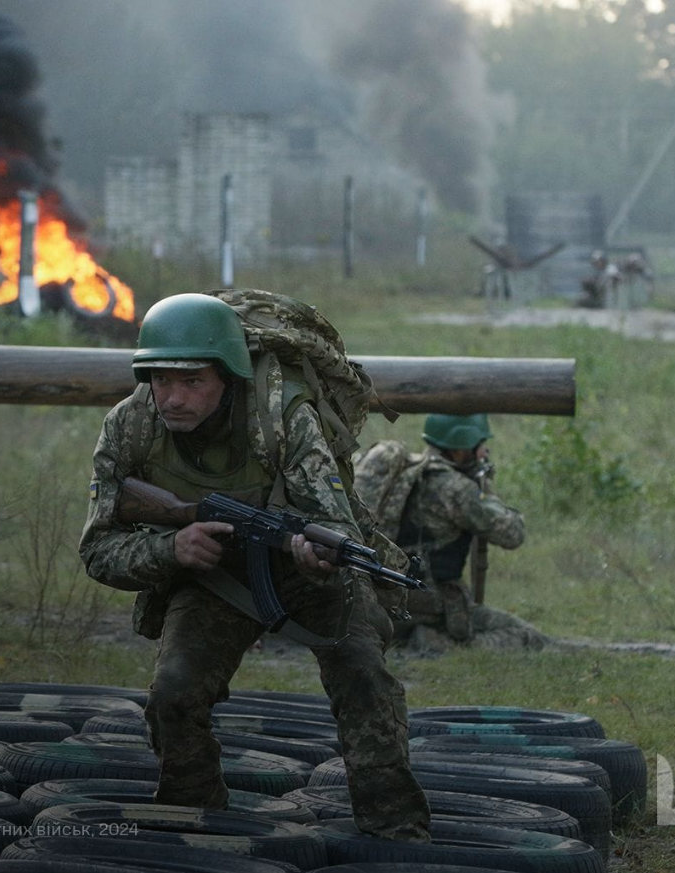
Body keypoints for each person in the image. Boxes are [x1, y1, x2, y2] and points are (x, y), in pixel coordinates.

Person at [79, 292, 432, 841]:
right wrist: (170, 549)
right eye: (160, 380)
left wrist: (315, 555)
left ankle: (395, 830)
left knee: (365, 675)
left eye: (192, 381)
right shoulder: (129, 427)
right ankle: (193, 823)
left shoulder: (282, 415)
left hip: (305, 572)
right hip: (212, 575)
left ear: (228, 376)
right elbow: (98, 549)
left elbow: (334, 524)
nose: (172, 398)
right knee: (173, 695)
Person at [383, 414, 541, 651]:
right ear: (461, 449)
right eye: (479, 446)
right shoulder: (456, 489)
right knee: (526, 636)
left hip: (395, 599)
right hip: (435, 604)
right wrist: (486, 490)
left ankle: (412, 635)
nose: (484, 453)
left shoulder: (412, 472)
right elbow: (513, 534)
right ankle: (437, 643)